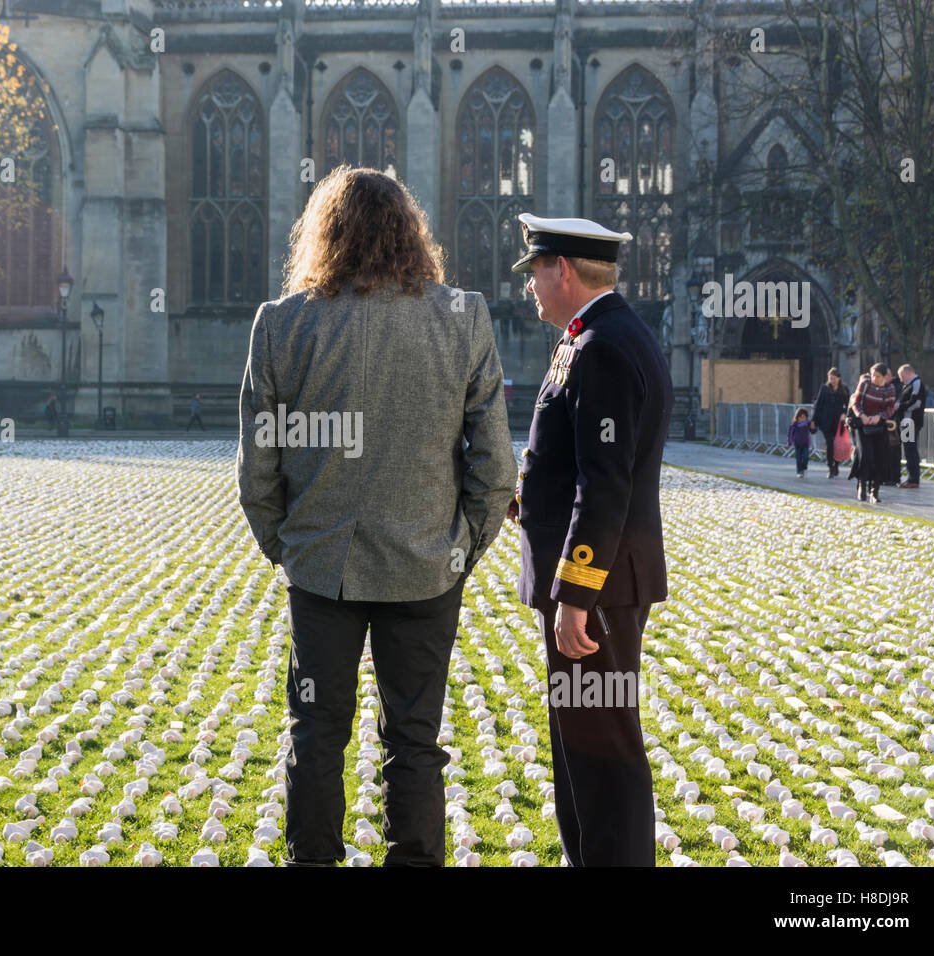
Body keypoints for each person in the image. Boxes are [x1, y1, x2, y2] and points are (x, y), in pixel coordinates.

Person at [237, 165, 516, 866]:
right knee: (415, 741)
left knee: (316, 734)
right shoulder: (463, 318)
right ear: (410, 234)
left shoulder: (281, 326)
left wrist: (289, 545)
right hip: (427, 568)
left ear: (323, 235)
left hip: (321, 566)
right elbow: (494, 465)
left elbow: (258, 467)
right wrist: (460, 548)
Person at [505, 213, 673, 867]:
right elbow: (583, 467)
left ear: (564, 270)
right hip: (597, 583)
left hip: (594, 592)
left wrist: (576, 591)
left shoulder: (601, 345)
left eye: (536, 272)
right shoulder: (600, 334)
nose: (530, 288)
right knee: (585, 750)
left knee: (603, 757)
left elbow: (606, 486)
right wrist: (530, 501)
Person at [847, 363, 897, 503]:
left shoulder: (890, 388)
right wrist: (862, 416)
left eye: (878, 376)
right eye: (873, 375)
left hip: (879, 424)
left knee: (880, 456)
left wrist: (879, 417)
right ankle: (862, 486)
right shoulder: (865, 383)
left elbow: (891, 408)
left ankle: (875, 490)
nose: (874, 378)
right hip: (863, 424)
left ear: (884, 377)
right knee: (865, 455)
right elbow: (855, 403)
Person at [811, 367, 850, 478]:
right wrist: (813, 420)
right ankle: (830, 466)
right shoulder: (824, 388)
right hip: (826, 420)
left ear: (838, 378)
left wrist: (845, 414)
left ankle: (836, 464)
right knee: (829, 443)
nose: (832, 381)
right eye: (830, 378)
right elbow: (818, 404)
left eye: (833, 378)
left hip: (838, 421)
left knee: (837, 443)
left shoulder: (844, 389)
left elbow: (849, 404)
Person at [895, 364, 927, 488]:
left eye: (901, 376)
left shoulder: (917, 383)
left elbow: (916, 403)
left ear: (907, 373)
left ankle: (913, 479)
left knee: (911, 450)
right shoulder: (909, 384)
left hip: (910, 421)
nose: (900, 379)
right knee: (908, 450)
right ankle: (911, 478)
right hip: (906, 421)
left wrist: (899, 406)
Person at [788, 407, 812, 477]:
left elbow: (812, 430)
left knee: (805, 457)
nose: (802, 419)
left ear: (806, 417)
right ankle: (799, 471)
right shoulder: (794, 425)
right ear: (797, 417)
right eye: (800, 417)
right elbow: (790, 434)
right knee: (798, 458)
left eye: (804, 417)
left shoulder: (808, 424)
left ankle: (804, 467)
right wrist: (790, 441)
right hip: (797, 443)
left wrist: (814, 426)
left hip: (805, 443)